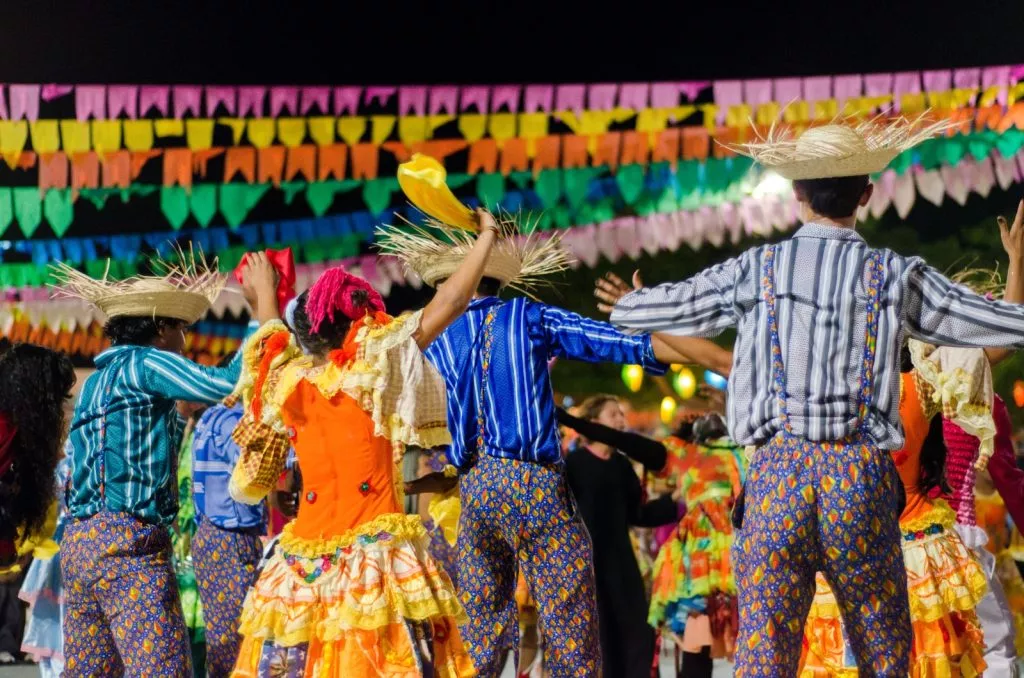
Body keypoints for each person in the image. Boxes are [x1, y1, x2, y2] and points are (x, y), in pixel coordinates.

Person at [599, 113, 1024, 674]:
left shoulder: (757, 268)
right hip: (858, 477)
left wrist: (635, 302)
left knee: (766, 655)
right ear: (867, 193)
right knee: (881, 650)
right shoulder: (893, 274)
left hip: (776, 476)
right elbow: (1001, 325)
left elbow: (655, 309)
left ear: (796, 192)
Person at [378, 206, 730, 677]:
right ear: (497, 279)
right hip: (533, 486)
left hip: (476, 490)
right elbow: (617, 343)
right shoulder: (526, 315)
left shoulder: (434, 336)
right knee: (569, 628)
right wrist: (682, 340)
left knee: (480, 632)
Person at [226, 207, 499, 676]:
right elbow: (451, 302)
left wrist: (267, 293)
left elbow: (270, 338)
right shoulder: (373, 370)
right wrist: (487, 237)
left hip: (299, 566)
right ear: (358, 323)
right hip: (372, 559)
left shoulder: (289, 381)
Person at [52, 250, 280, 676]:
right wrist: (260, 313)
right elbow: (227, 381)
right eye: (182, 329)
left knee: (91, 672)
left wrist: (179, 411)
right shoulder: (147, 361)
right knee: (163, 670)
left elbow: (152, 440)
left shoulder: (98, 381)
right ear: (161, 329)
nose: (186, 342)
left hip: (81, 547)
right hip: (126, 545)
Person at [800, 346, 988, 675]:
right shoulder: (922, 384)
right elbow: (989, 351)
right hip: (917, 554)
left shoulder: (824, 393)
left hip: (851, 554)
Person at [188, 356, 297, 678]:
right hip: (229, 539)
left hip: (214, 536)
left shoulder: (211, 416)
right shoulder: (240, 421)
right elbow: (259, 471)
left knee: (227, 640)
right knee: (237, 644)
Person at [557, 396, 678, 678]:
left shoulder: (622, 466)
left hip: (623, 565)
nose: (621, 421)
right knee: (603, 640)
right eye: (614, 415)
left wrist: (675, 503)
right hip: (587, 566)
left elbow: (637, 515)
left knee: (638, 635)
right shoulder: (573, 465)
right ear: (594, 423)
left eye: (621, 415)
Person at [649, 413, 744, 678]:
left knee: (697, 633)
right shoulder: (738, 456)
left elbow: (666, 459)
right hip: (729, 551)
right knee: (725, 630)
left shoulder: (688, 457)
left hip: (694, 555)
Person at [18, 454, 71, 677]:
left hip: (54, 554)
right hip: (58, 554)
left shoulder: (60, 469)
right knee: (58, 624)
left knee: (53, 624)